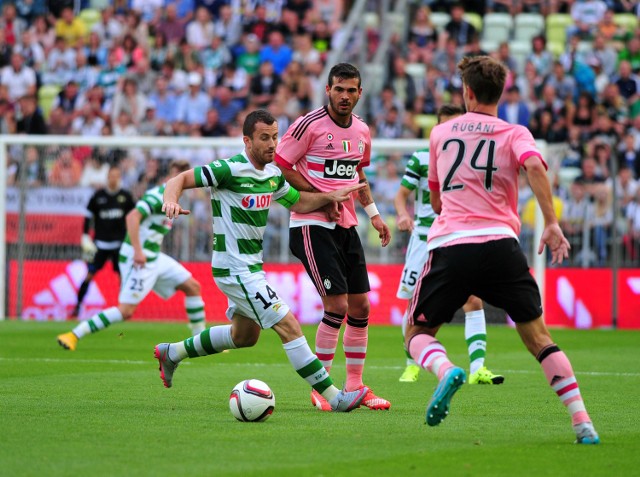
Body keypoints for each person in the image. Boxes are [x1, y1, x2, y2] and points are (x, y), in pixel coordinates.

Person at [404, 55, 600, 444]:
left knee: (417, 332)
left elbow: (436, 197)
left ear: (468, 92)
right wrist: (552, 223)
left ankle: (446, 371)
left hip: (452, 245)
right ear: (501, 92)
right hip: (501, 245)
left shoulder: (441, 134)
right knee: (539, 338)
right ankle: (582, 422)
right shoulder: (515, 132)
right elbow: (536, 168)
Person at [153, 110, 368, 413]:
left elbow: (298, 201)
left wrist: (330, 196)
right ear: (247, 140)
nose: (272, 144)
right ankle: (335, 397)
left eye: (275, 137)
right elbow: (179, 179)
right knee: (289, 324)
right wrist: (171, 199)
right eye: (264, 138)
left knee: (244, 336)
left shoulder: (272, 174)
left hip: (251, 267)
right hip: (233, 267)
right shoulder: (229, 169)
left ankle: (171, 353)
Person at [275, 63, 392, 411]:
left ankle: (355, 386)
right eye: (338, 89)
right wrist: (320, 197)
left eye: (351, 90)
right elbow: (281, 165)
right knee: (337, 306)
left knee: (360, 306)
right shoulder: (308, 125)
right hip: (311, 226)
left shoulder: (362, 131)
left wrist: (374, 215)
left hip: (346, 225)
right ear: (328, 90)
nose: (344, 96)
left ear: (359, 94)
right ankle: (322, 389)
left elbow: (356, 174)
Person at [395, 104, 504, 386]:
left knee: (473, 299)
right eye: (447, 125)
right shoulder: (422, 158)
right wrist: (403, 214)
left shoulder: (473, 160)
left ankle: (478, 367)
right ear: (437, 129)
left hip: (457, 238)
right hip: (424, 240)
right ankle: (411, 364)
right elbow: (401, 195)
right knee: (414, 303)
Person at [57, 161, 207, 351]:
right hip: (138, 258)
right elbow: (132, 217)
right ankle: (74, 334)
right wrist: (137, 251)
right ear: (171, 176)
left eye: (186, 175)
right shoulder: (157, 196)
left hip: (154, 256)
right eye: (178, 175)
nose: (183, 180)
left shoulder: (176, 198)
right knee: (126, 311)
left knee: (193, 287)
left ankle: (200, 341)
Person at [71, 166, 135, 318]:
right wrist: (85, 235)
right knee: (89, 275)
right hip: (100, 244)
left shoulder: (125, 196)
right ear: (107, 177)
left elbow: (134, 217)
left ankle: (123, 310)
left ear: (120, 178)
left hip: (119, 244)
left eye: (117, 176)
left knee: (123, 277)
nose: (113, 179)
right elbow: (87, 215)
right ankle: (77, 306)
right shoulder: (98, 196)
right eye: (111, 176)